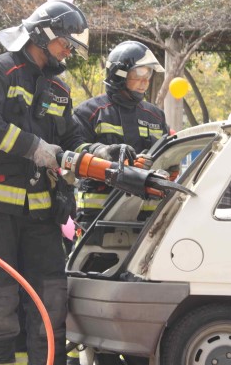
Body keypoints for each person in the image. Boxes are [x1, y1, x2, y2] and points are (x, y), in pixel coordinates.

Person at [0, 0, 121, 365]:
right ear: (44, 34)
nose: (68, 52)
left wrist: (93, 152)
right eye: (66, 44)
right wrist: (34, 148)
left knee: (50, 302)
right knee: (0, 304)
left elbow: (68, 138)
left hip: (42, 215)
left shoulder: (58, 88)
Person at [72, 40, 169, 228]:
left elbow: (170, 161)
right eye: (139, 74)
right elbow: (73, 152)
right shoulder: (89, 112)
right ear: (119, 75)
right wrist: (103, 152)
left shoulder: (156, 116)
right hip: (99, 218)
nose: (144, 82)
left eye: (148, 75)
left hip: (148, 219)